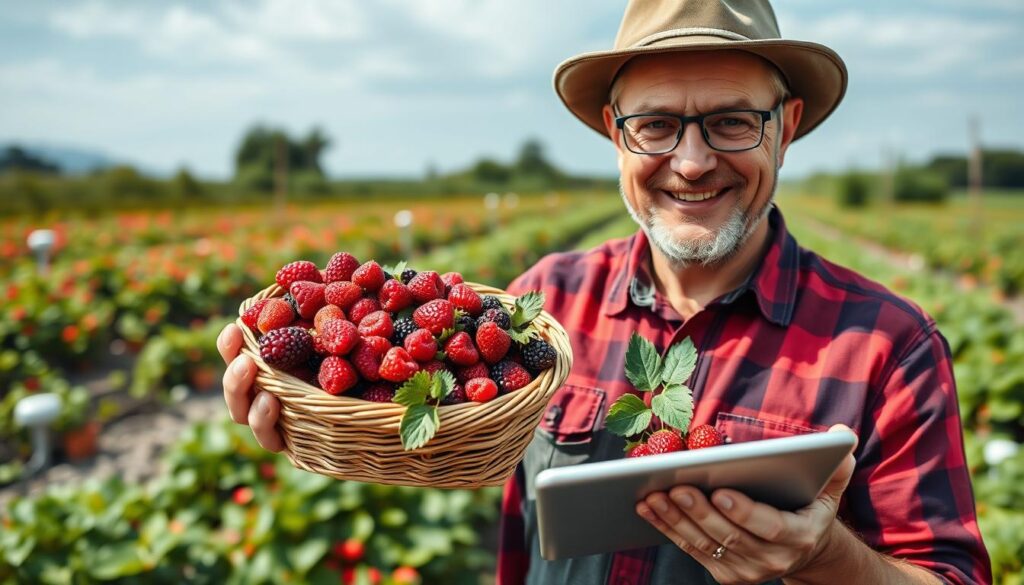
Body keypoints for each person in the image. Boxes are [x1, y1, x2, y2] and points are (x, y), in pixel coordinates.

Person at [217, 1, 991, 583]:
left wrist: (826, 556)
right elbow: (447, 438)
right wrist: (318, 414)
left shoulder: (890, 345)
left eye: (731, 122)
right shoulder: (537, 305)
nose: (691, 163)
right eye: (655, 125)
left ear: (784, 129)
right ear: (615, 134)